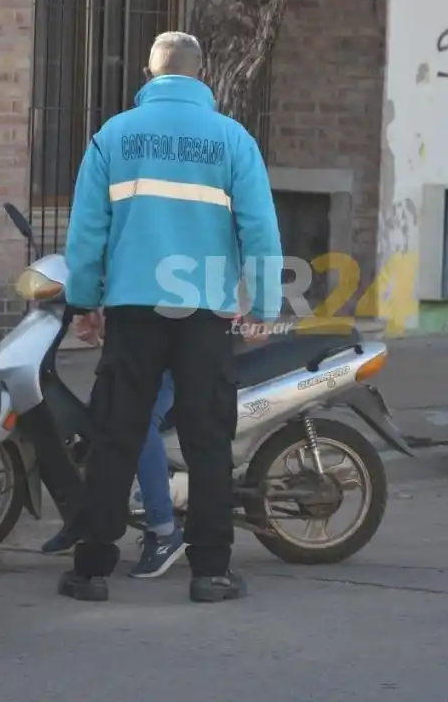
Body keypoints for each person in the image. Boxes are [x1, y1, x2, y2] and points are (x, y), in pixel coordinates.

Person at [58, 31, 283, 603]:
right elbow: (259, 229)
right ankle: (210, 571)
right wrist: (264, 304)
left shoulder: (114, 135)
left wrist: (84, 302)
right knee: (208, 439)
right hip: (205, 312)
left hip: (133, 310)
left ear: (149, 73)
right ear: (202, 75)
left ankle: (90, 570)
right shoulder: (232, 139)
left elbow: (87, 230)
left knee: (116, 433)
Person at [41, 360, 187, 580]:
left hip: (169, 351)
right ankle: (84, 519)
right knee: (98, 415)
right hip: (130, 354)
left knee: (140, 423)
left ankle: (163, 529)